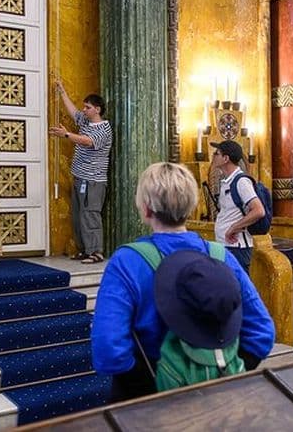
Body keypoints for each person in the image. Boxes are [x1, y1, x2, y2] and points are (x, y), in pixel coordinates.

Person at [91, 162, 275, 402]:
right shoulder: (220, 256)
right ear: (192, 206)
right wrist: (223, 372)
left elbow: (108, 349)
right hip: (215, 400)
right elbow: (262, 331)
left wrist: (152, 385)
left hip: (146, 405)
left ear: (146, 209)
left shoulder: (127, 262)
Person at [49, 80, 113, 264]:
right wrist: (62, 92)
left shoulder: (104, 128)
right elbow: (73, 112)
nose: (83, 110)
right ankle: (84, 250)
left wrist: (67, 135)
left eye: (88, 107)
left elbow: (87, 141)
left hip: (93, 180)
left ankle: (96, 252)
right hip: (79, 177)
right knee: (78, 216)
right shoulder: (85, 120)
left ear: (97, 109)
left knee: (90, 214)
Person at [210, 140, 265, 273]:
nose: (213, 156)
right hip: (227, 246)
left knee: (237, 290)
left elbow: (258, 210)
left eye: (216, 153)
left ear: (225, 158)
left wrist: (234, 227)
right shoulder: (228, 181)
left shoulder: (241, 182)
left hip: (237, 248)